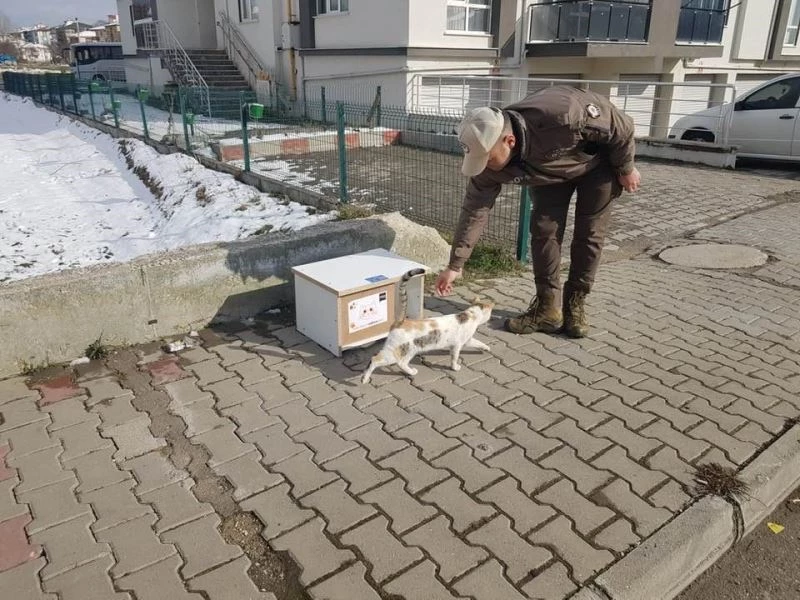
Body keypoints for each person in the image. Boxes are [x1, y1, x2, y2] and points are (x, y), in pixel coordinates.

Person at [434, 85, 641, 338]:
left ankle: (575, 304)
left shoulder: (562, 115)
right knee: (544, 232)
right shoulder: (488, 165)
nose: (484, 167)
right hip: (549, 174)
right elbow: (475, 210)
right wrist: (456, 265)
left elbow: (622, 126)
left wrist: (625, 167)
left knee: (590, 234)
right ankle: (547, 308)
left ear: (509, 141)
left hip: (598, 167)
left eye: (487, 159)